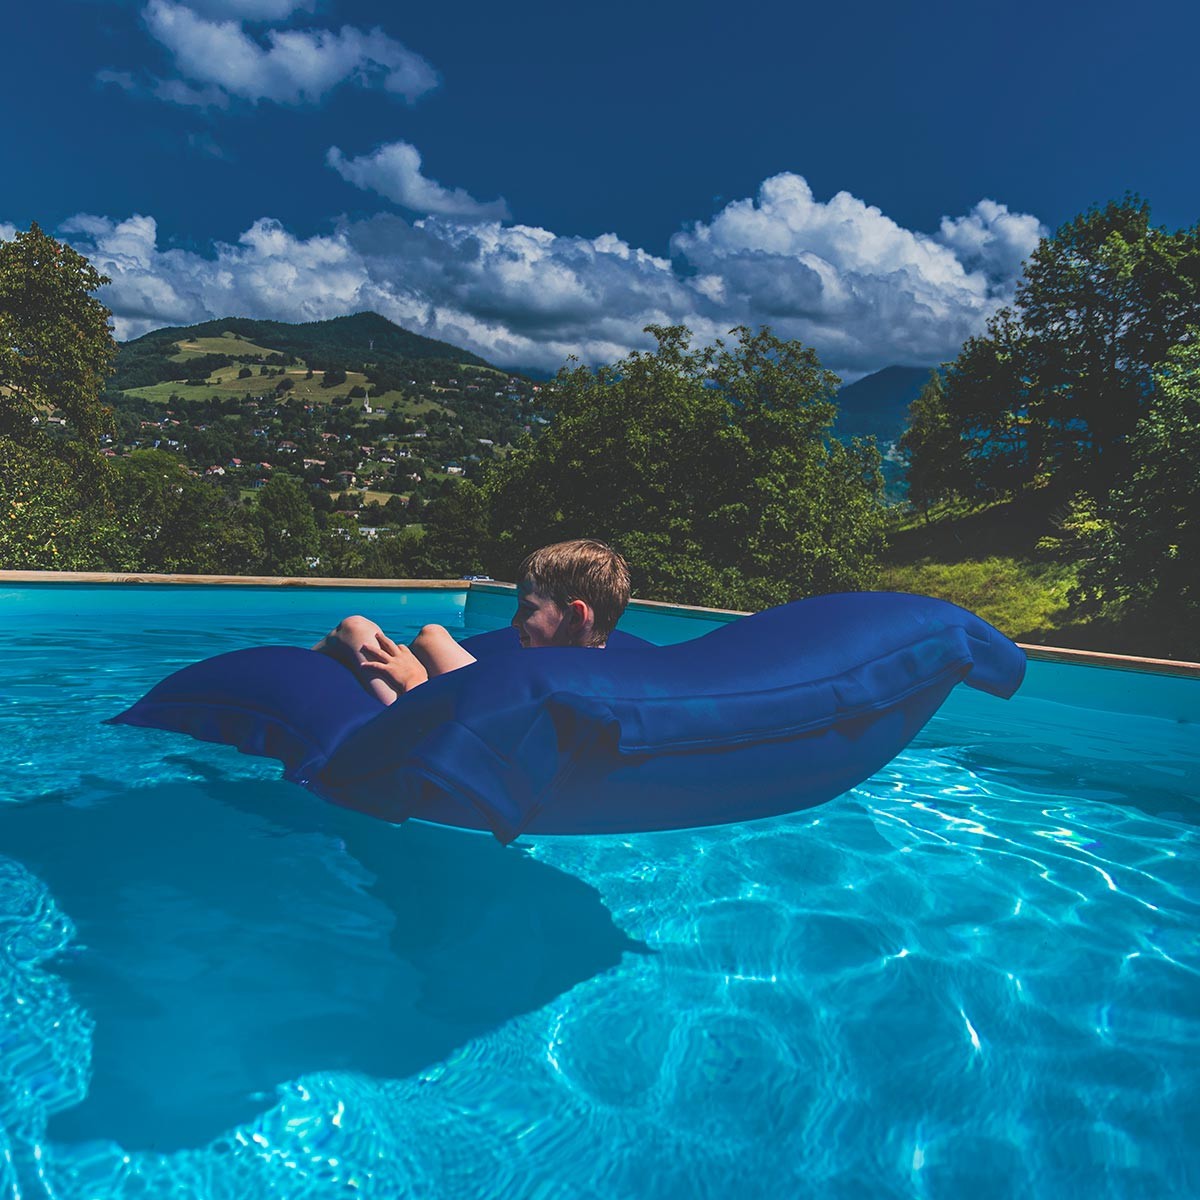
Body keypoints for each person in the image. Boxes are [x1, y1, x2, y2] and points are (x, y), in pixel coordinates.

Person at [313, 539, 631, 704]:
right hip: (479, 688)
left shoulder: (549, 689)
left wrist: (415, 680)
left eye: (527, 608)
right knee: (431, 635)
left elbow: (444, 734)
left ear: (575, 616)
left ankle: (294, 669)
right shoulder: (601, 675)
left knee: (356, 630)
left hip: (418, 722)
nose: (515, 622)